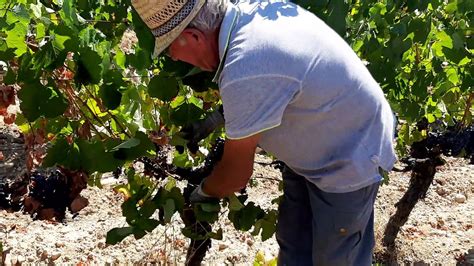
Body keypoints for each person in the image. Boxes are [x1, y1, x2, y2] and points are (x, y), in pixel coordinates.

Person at [132, 0, 397, 265]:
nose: (175, 58)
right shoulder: (252, 14)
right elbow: (274, 83)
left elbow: (235, 175)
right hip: (315, 141)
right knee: (294, 244)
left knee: (337, 257)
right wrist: (216, 118)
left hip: (351, 155)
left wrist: (203, 192)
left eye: (170, 49)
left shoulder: (245, 66)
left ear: (193, 36)